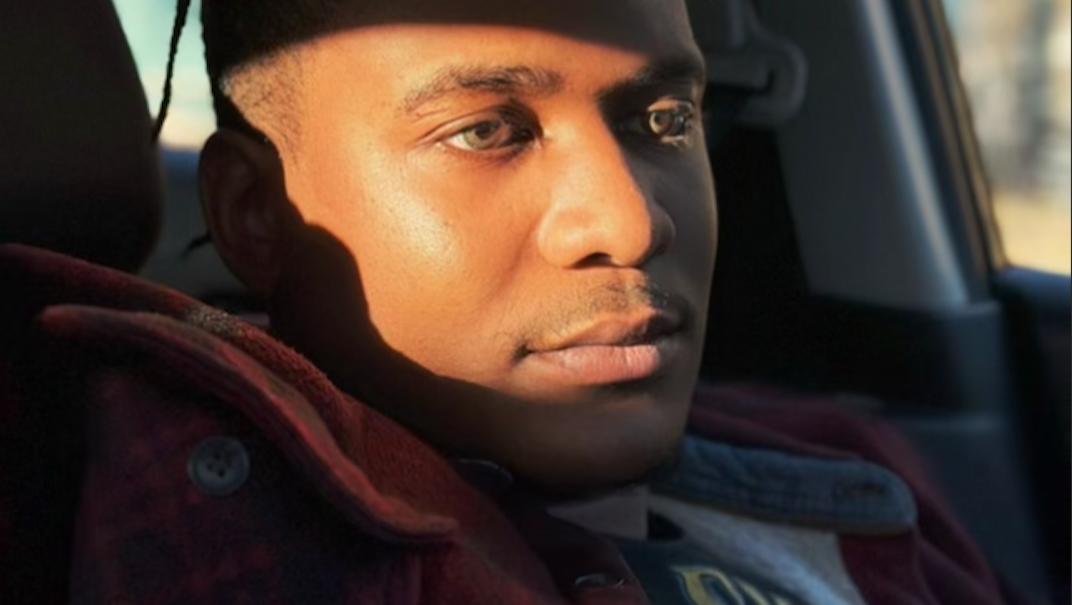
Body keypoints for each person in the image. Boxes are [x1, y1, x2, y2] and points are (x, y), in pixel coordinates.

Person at [0, 0, 1020, 603]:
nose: (628, 224)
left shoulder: (852, 473)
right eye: (487, 131)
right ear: (255, 215)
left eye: (664, 119)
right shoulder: (165, 507)